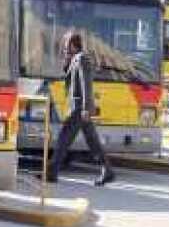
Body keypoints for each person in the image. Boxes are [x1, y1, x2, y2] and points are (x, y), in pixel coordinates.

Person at [46, 31, 116, 186]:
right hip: (78, 107)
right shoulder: (75, 59)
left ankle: (52, 172)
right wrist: (67, 59)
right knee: (93, 141)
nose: (64, 48)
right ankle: (107, 170)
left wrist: (85, 108)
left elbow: (86, 84)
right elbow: (68, 74)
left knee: (64, 138)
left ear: (72, 44)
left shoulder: (82, 58)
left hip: (79, 107)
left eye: (66, 44)